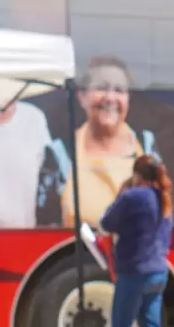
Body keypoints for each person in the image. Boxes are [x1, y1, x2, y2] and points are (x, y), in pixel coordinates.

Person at [92, 155, 174, 327]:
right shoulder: (164, 199)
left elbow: (105, 224)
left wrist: (122, 192)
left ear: (137, 175)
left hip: (133, 274)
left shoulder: (132, 197)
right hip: (158, 272)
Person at [60, 55, 160, 228]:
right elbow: (45, 225)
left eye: (119, 90)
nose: (110, 97)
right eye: (101, 87)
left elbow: (165, 208)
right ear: (81, 96)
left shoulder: (147, 144)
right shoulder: (59, 151)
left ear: (128, 98)